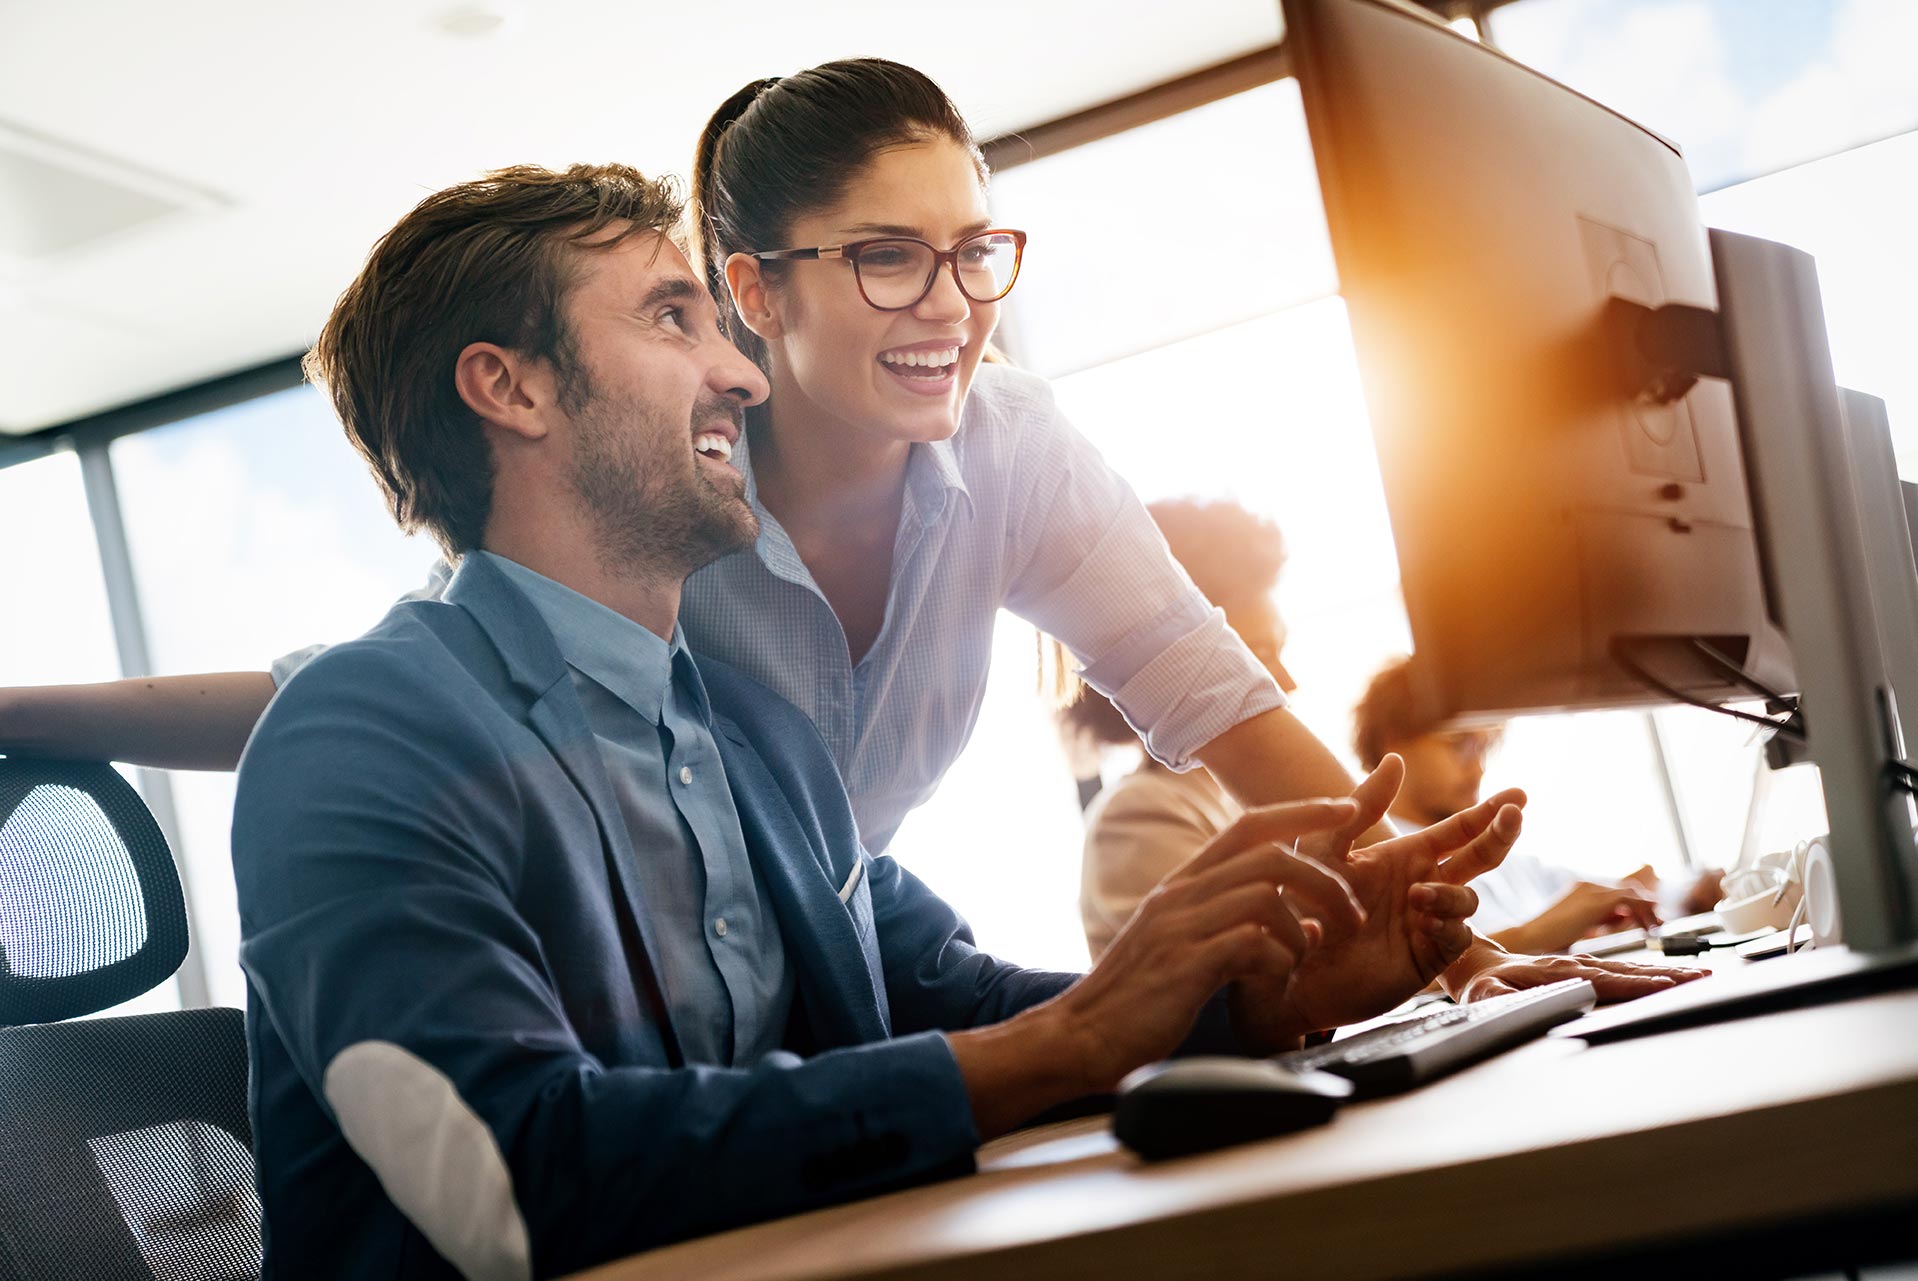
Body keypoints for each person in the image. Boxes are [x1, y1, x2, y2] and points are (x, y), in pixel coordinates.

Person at [0, 57, 1673, 1000]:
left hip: (834, 950)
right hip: (641, 1015)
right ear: (751, 285)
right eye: (887, 255)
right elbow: (361, 696)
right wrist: (22, 711)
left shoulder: (1007, 448)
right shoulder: (647, 487)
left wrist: (1440, 938)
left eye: (974, 249)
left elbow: (1212, 701)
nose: (951, 306)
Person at [228, 161, 1580, 1278]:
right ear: (508, 388)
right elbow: (503, 1180)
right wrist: (1071, 1043)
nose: (743, 377)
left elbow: (953, 1000)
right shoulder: (364, 734)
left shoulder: (749, 735)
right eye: (672, 321)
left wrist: (1243, 1003)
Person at [1353, 656, 1725, 953]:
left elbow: (1601, 895)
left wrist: (1685, 892)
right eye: (1460, 744)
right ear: (1394, 741)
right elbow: (1417, 978)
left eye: (1484, 747)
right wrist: (1543, 933)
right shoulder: (1372, 861)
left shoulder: (1503, 860)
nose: (1478, 767)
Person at [1069, 498, 1291, 960]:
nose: (1285, 685)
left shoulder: (1227, 800)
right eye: (1258, 659)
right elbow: (1252, 980)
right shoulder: (1137, 815)